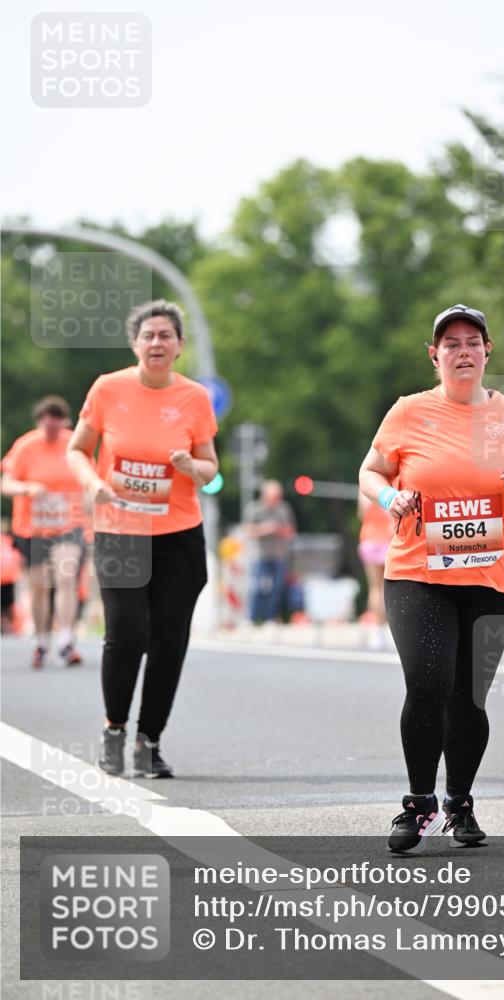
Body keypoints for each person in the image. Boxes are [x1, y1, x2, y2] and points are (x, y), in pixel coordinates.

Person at [359, 304, 504, 854]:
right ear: (434, 355)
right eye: (451, 344)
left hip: (493, 576)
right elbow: (370, 471)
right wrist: (390, 496)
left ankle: (459, 802)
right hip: (418, 571)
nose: (462, 351)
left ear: (487, 351)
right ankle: (418, 802)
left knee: (468, 697)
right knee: (428, 682)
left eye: (472, 342)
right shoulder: (408, 411)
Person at [67, 299, 218, 777]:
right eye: (148, 335)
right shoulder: (108, 389)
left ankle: (148, 740)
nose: (157, 342)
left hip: (178, 535)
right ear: (135, 344)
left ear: (179, 346)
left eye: (165, 335)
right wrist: (92, 483)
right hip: (121, 531)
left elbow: (211, 469)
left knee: (169, 640)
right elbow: (77, 449)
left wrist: (193, 467)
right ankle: (114, 728)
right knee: (127, 632)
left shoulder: (194, 397)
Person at [1, 396, 86, 668]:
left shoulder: (74, 444)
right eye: (48, 427)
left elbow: (89, 478)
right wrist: (28, 488)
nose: (52, 433)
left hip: (68, 524)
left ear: (65, 424)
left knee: (66, 577)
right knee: (40, 585)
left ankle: (66, 641)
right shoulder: (25, 446)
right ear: (39, 423)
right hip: (33, 528)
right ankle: (40, 642)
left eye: (57, 428)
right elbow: (6, 484)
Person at [243, 480, 296, 623]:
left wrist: (278, 530)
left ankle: (271, 618)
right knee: (256, 587)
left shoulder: (284, 509)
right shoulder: (254, 508)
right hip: (259, 555)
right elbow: (248, 530)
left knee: (277, 588)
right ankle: (251, 618)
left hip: (279, 555)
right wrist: (266, 529)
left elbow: (291, 532)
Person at [357, 488, 394, 650]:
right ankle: (393, 630)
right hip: (389, 538)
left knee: (375, 588)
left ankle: (378, 632)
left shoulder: (366, 485)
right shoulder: (392, 484)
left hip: (370, 538)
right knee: (391, 587)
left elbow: (362, 513)